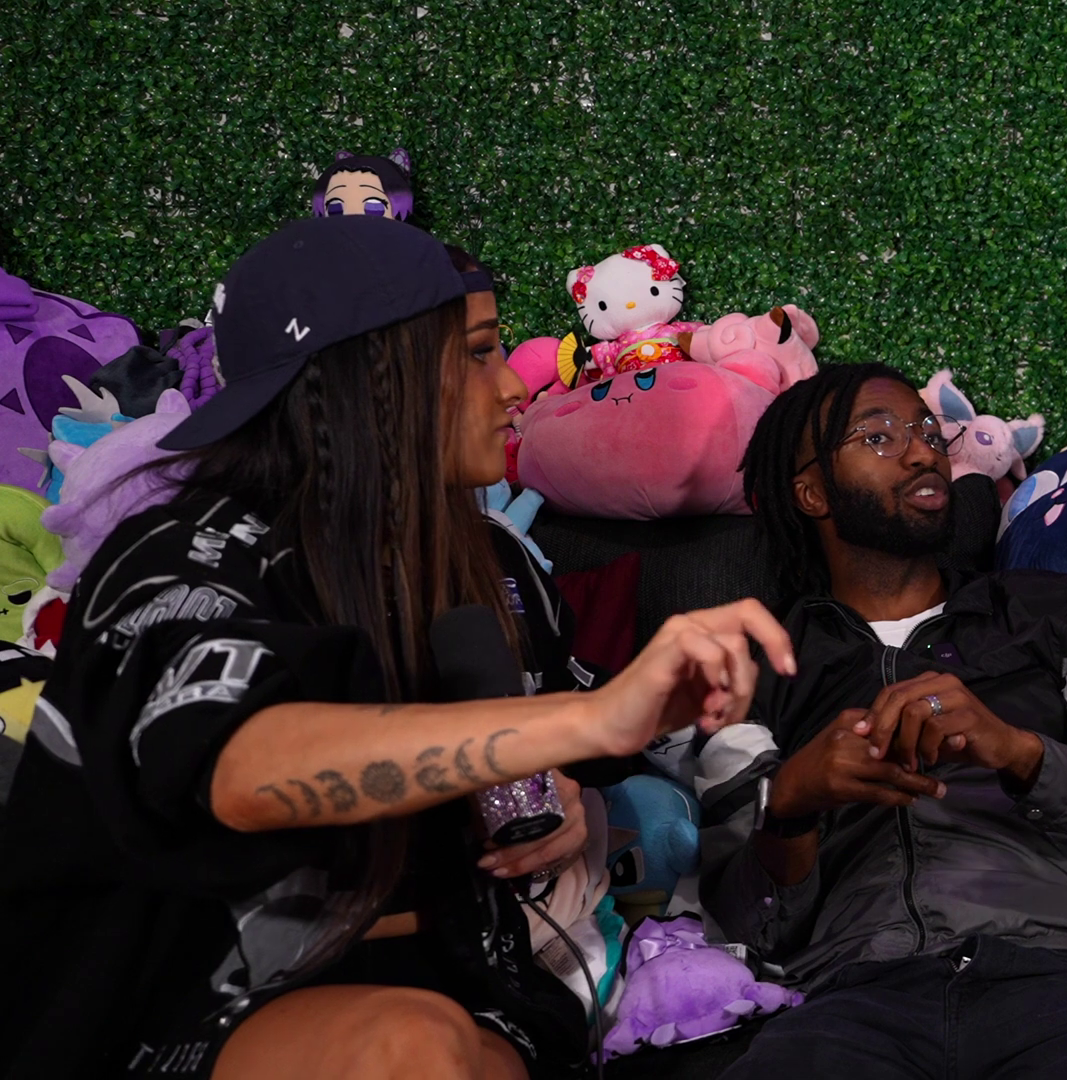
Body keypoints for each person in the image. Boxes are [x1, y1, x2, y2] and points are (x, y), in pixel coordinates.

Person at [0, 217, 793, 1080]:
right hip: (164, 1014)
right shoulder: (183, 556)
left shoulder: (488, 567)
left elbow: (540, 769)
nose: (512, 387)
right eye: (480, 352)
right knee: (409, 1047)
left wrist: (565, 791)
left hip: (475, 980)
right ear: (368, 377)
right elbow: (241, 766)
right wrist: (590, 719)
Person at [702, 362, 1067, 1079]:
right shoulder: (752, 667)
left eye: (929, 432)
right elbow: (749, 925)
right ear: (812, 493)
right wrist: (790, 807)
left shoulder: (1058, 611)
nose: (922, 452)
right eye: (878, 436)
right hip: (854, 995)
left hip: (1064, 976)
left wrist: (1017, 751)